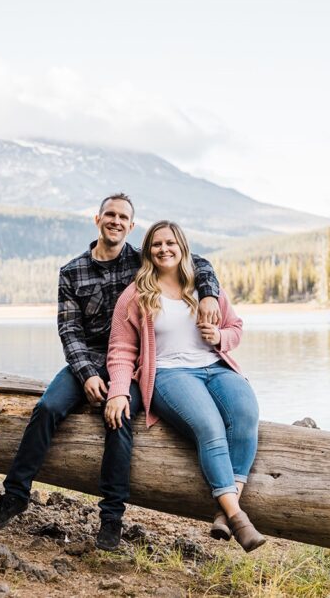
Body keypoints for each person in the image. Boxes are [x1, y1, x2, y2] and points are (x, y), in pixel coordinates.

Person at [0, 194, 223, 552]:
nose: (116, 221)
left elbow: (196, 262)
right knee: (48, 408)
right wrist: (87, 375)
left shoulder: (142, 260)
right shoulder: (72, 271)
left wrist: (209, 294)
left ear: (131, 225)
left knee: (120, 417)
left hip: (133, 364)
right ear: (97, 220)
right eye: (110, 215)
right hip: (90, 361)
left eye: (123, 217)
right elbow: (69, 332)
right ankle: (15, 495)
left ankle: (111, 519)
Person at [104, 220, 265, 552]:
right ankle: (237, 518)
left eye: (170, 243)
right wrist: (119, 390)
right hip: (168, 373)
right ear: (148, 251)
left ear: (182, 247)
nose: (164, 249)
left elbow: (235, 327)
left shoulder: (205, 288)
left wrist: (220, 337)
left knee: (246, 414)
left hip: (215, 367)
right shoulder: (136, 294)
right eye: (156, 244)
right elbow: (120, 350)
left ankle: (223, 509)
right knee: (209, 426)